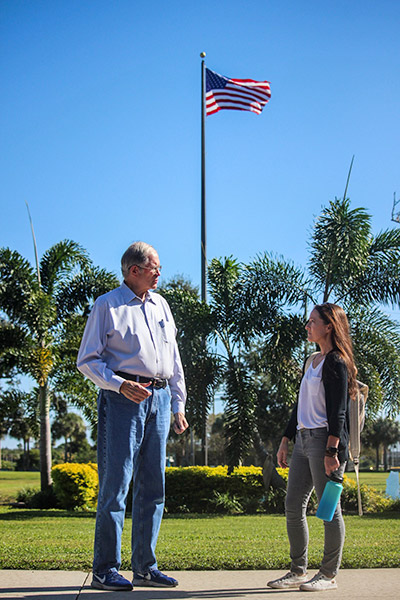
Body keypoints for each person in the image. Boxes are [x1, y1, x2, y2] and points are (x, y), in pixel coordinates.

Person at [77, 241, 188, 591]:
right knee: (117, 485)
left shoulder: (161, 305)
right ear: (133, 270)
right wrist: (119, 384)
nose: (159, 272)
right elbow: (87, 360)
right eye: (154, 266)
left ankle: (145, 567)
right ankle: (105, 569)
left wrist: (178, 403)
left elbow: (174, 359)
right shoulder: (107, 305)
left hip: (159, 398)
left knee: (154, 487)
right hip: (122, 401)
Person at [267, 303, 357, 592]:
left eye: (312, 321)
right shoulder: (311, 361)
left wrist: (332, 451)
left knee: (328, 510)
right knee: (293, 506)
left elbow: (339, 412)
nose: (307, 326)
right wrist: (285, 440)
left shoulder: (337, 362)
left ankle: (328, 574)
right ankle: (297, 571)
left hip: (324, 443)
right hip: (304, 441)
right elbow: (299, 406)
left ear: (328, 326)